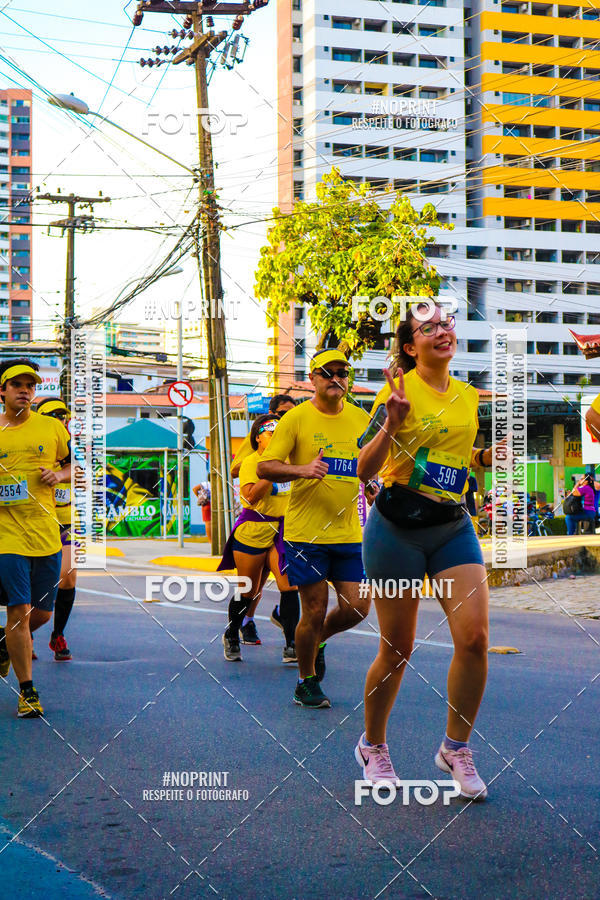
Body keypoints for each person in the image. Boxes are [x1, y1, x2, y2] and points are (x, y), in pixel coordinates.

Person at [355, 302, 492, 800]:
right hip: (396, 528)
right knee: (396, 649)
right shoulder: (395, 393)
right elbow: (363, 469)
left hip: (452, 525)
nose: (442, 331)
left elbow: (450, 457)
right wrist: (391, 423)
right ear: (410, 347)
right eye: (428, 328)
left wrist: (482, 457)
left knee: (474, 638)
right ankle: (373, 745)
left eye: (446, 324)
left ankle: (455, 748)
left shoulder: (469, 395)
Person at [257, 349, 372, 709]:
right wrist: (302, 470)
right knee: (315, 608)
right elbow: (265, 467)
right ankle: (305, 681)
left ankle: (316, 640)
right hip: (307, 534)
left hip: (350, 532)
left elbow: (368, 464)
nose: (336, 378)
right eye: (328, 373)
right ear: (314, 379)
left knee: (358, 607)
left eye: (342, 372)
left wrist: (371, 482)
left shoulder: (360, 418)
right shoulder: (296, 420)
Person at [0, 359, 71, 717]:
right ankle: (27, 692)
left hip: (46, 534)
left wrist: (60, 475)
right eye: (17, 385)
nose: (25, 390)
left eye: (30, 385)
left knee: (41, 613)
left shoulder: (52, 428)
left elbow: (74, 465)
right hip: (6, 535)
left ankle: (3, 643)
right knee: (18, 610)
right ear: (3, 391)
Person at [219, 414, 299, 663]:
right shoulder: (250, 462)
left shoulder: (290, 461)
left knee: (290, 586)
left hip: (282, 531)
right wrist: (271, 474)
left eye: (280, 434)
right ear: (257, 438)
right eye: (270, 434)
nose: (276, 439)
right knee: (249, 591)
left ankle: (291, 643)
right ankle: (232, 633)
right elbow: (250, 498)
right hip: (253, 530)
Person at [37, 398, 76, 661]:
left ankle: (57, 634)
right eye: (53, 416)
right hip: (35, 522)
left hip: (66, 523)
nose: (61, 421)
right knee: (29, 584)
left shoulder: (73, 450)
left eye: (64, 416)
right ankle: (23, 633)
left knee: (68, 576)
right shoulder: (35, 447)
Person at [230, 394, 296, 480]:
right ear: (271, 413)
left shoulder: (296, 434)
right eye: (283, 413)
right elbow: (234, 471)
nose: (288, 418)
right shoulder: (260, 434)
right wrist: (268, 464)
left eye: (292, 414)